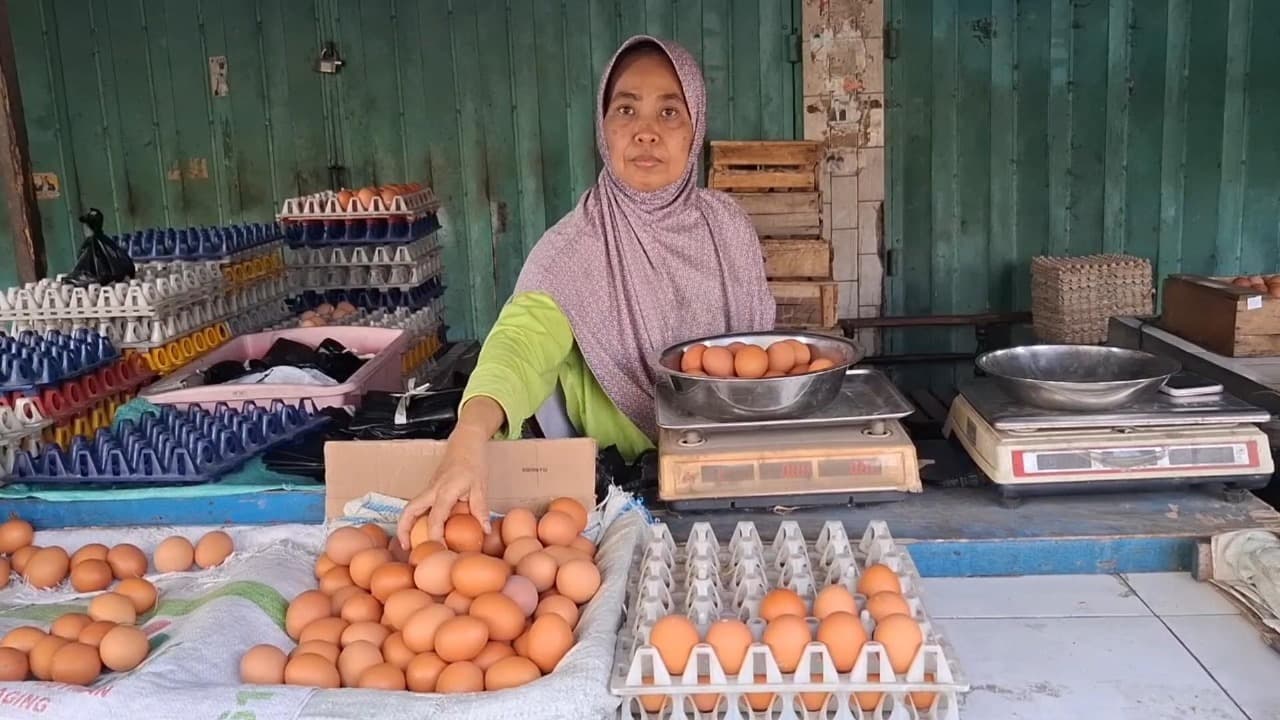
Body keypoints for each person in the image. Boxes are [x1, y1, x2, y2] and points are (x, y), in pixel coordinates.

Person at [396, 35, 775, 547]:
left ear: (696, 128)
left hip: (737, 482)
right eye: (626, 110)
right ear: (604, 129)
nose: (645, 132)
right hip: (623, 505)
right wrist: (467, 439)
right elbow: (518, 345)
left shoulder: (728, 229)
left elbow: (762, 356)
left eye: (670, 112)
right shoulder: (573, 250)